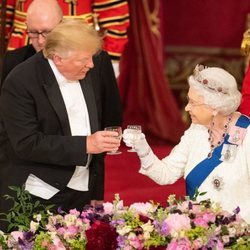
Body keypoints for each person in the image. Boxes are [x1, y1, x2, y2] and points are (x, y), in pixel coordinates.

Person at [0, 19, 123, 231]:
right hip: (37, 193)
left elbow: (95, 128)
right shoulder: (20, 81)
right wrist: (85, 145)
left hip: (81, 191)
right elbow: (27, 143)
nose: (91, 65)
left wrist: (96, 193)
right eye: (84, 60)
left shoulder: (89, 70)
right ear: (58, 59)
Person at [123, 64, 250, 223]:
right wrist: (143, 149)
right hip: (201, 232)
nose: (187, 107)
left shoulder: (247, 134)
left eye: (193, 102)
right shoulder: (196, 131)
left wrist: (235, 227)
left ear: (215, 107)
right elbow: (166, 174)